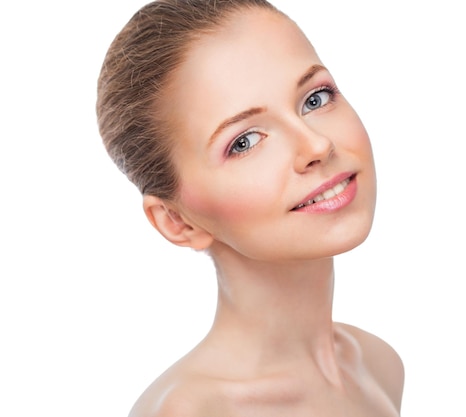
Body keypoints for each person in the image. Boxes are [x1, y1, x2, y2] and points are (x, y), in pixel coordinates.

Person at [96, 0, 405, 415]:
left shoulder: (379, 363)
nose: (317, 145)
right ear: (176, 221)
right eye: (244, 141)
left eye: (315, 98)